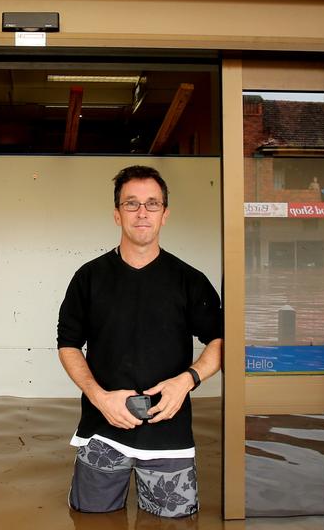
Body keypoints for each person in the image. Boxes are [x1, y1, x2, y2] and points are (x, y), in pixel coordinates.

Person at [57, 165, 223, 518]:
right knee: (90, 520)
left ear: (165, 214)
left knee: (175, 524)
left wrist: (186, 382)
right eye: (131, 204)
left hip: (170, 435)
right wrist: (100, 398)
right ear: (117, 214)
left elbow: (219, 342)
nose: (142, 212)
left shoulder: (190, 280)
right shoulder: (89, 277)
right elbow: (68, 344)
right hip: (103, 429)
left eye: (152, 204)